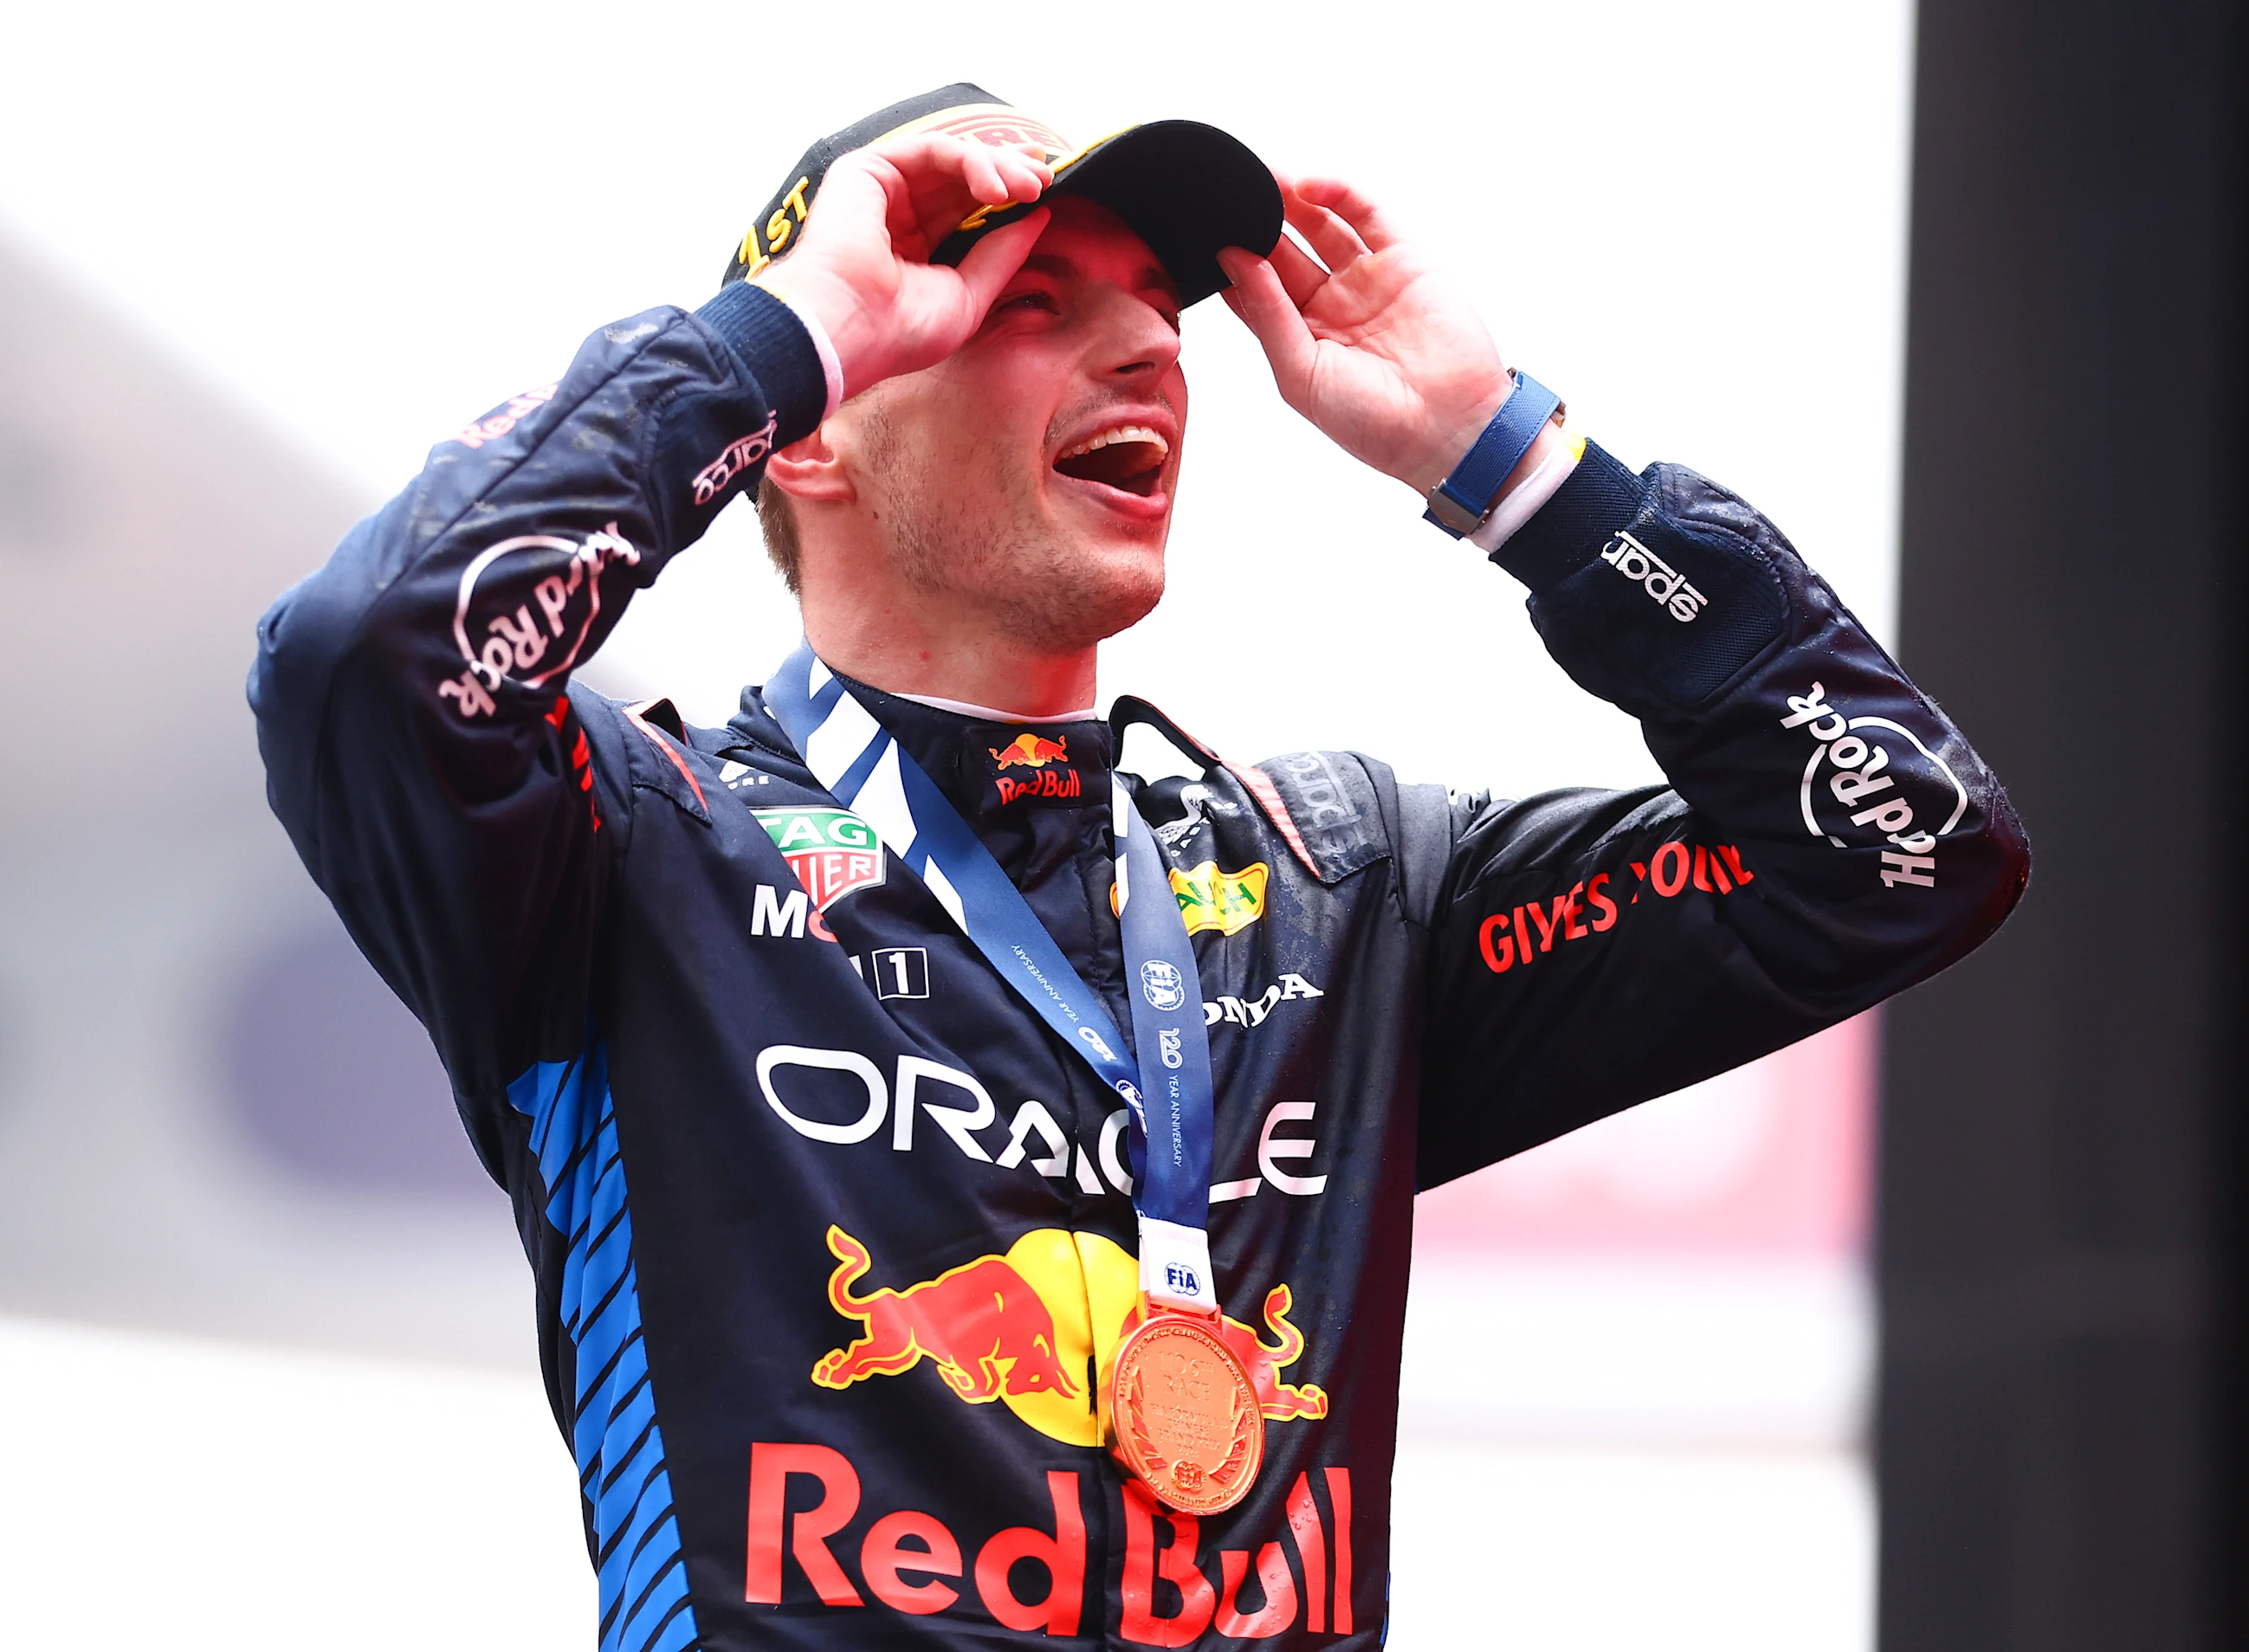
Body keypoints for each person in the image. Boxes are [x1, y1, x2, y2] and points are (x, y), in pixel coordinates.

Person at [250, 85, 2026, 1652]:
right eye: (1030, 302)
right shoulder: (630, 853)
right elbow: (368, 656)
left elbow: (1901, 849)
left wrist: (1526, 478)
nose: (1153, 349)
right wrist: (772, 337)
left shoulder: (1337, 886)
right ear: (816, 431)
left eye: (1155, 306)